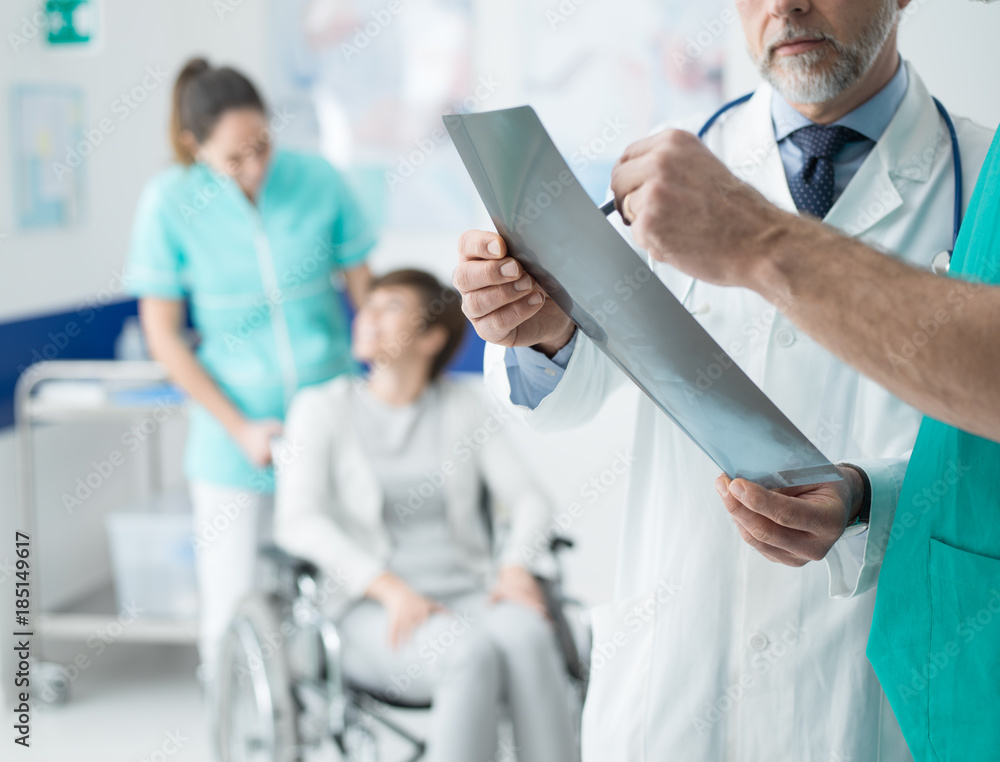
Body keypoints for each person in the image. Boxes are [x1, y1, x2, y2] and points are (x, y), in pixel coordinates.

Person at [452, 0, 995, 759]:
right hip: (677, 682)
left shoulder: (982, 181)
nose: (785, 5)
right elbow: (566, 397)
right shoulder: (671, 167)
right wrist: (541, 329)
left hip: (862, 685)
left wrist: (869, 500)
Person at [124, 58, 376, 690]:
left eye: (262, 146)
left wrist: (385, 382)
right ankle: (233, 716)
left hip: (328, 411)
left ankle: (335, 709)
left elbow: (368, 300)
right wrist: (238, 427)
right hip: (229, 426)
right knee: (230, 598)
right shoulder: (168, 202)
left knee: (346, 585)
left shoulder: (317, 179)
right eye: (235, 159)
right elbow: (163, 336)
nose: (255, 167)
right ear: (194, 146)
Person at [273, 269, 578, 762]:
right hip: (372, 609)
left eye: (390, 306)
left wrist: (514, 567)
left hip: (470, 592)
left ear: (432, 337)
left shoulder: (463, 406)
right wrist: (389, 588)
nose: (368, 315)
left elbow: (530, 498)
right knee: (465, 652)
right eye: (369, 305)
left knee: (529, 636)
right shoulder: (321, 409)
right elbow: (299, 521)